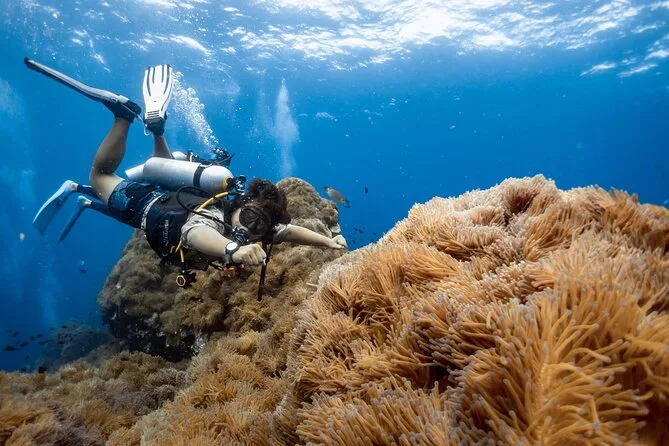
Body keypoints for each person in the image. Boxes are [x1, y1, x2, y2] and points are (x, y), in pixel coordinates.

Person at [26, 58, 347, 289]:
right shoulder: (215, 217)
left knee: (144, 180)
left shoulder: (252, 229)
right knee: (100, 176)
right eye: (249, 218)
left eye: (259, 226)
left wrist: (329, 242)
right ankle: (122, 118)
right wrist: (232, 250)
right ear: (241, 204)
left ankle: (152, 134)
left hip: (156, 199)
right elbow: (194, 233)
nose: (249, 229)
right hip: (139, 202)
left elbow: (288, 232)